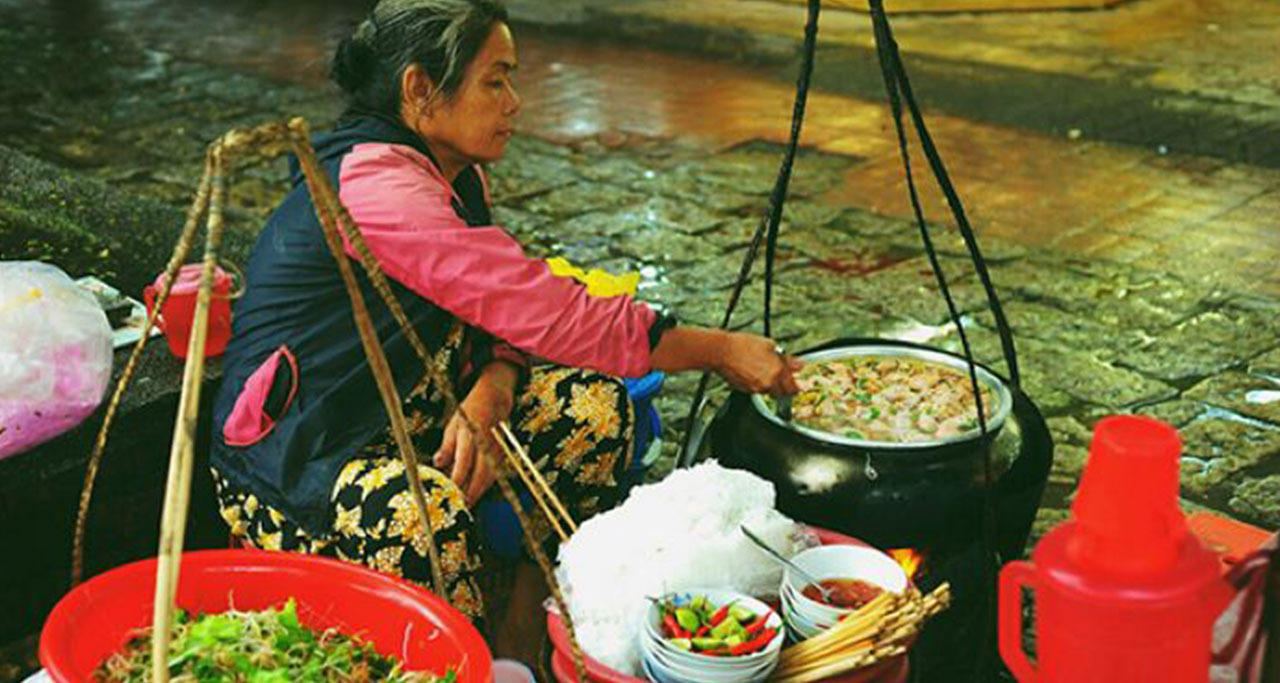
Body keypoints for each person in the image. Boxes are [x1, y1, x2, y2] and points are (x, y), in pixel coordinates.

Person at [208, 0, 799, 648]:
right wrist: (715, 350)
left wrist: (495, 380)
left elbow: (497, 300)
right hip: (307, 452)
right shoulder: (379, 187)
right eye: (495, 80)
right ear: (419, 89)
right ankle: (463, 658)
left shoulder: (453, 176)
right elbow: (545, 309)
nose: (514, 102)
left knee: (598, 410)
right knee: (420, 517)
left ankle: (525, 626)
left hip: (407, 409)